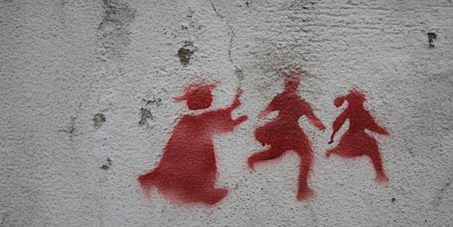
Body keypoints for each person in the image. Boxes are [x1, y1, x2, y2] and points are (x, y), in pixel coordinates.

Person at [138, 82, 247, 206]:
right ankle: (200, 190)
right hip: (191, 168)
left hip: (186, 166)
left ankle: (197, 188)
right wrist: (234, 111)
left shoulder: (189, 121)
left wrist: (233, 107)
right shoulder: (198, 121)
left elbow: (220, 118)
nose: (212, 97)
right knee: (200, 164)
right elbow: (221, 120)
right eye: (209, 94)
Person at [247, 72, 326, 200]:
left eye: (294, 83)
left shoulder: (297, 102)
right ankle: (253, 160)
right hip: (284, 131)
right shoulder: (285, 99)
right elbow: (266, 111)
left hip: (289, 132)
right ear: (285, 83)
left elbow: (312, 117)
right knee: (289, 153)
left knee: (303, 155)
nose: (292, 86)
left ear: (297, 85)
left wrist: (318, 124)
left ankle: (302, 188)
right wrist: (318, 124)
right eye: (290, 83)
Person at [326, 88, 389, 184]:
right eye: (362, 100)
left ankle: (333, 151)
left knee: (361, 148)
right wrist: (385, 132)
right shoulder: (362, 112)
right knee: (373, 148)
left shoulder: (349, 110)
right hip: (358, 136)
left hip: (349, 136)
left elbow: (338, 122)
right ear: (359, 101)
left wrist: (333, 135)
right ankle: (380, 173)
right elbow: (373, 126)